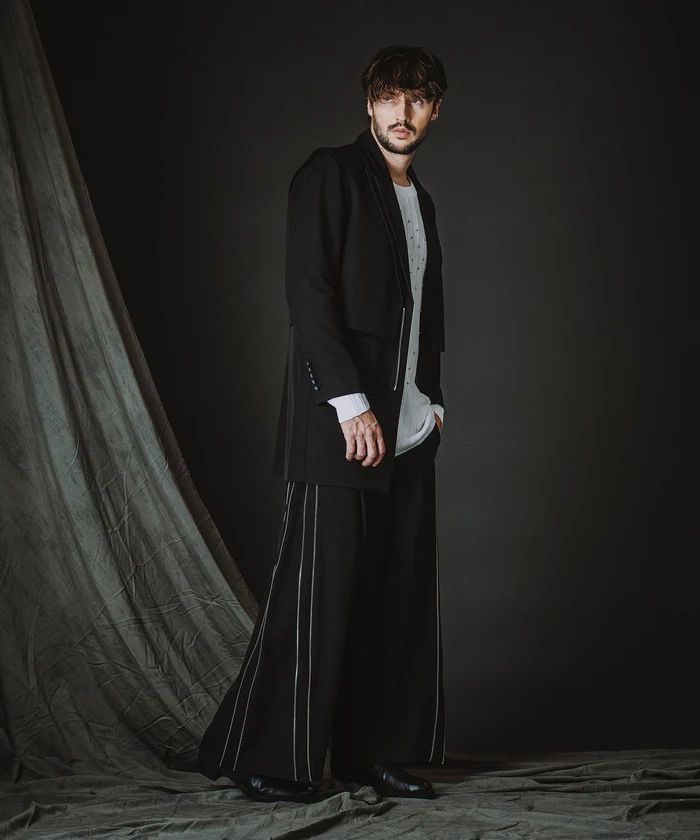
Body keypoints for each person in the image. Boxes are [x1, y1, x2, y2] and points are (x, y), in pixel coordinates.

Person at [198, 44, 449, 803]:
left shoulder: (421, 200)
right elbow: (309, 297)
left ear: (435, 110)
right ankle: (268, 759)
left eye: (417, 99)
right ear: (369, 104)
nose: (402, 112)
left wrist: (431, 400)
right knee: (319, 593)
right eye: (390, 97)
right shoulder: (330, 175)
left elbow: (422, 312)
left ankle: (370, 755)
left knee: (391, 597)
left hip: (408, 426)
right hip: (342, 423)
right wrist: (350, 402)